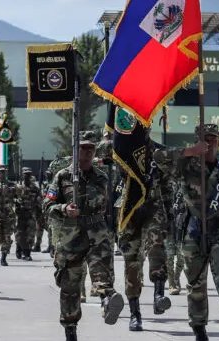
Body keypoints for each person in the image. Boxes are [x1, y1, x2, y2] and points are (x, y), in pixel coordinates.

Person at [153, 124, 219, 340]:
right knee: (195, 283)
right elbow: (158, 158)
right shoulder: (185, 166)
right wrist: (188, 152)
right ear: (198, 140)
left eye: (214, 138)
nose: (211, 142)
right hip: (193, 229)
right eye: (206, 138)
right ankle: (198, 327)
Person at [46, 131, 125, 340]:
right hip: (70, 236)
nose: (88, 151)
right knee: (70, 287)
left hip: (97, 232)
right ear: (75, 148)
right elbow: (48, 205)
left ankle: (107, 300)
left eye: (91, 147)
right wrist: (64, 208)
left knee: (103, 272)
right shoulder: (63, 176)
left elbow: (108, 207)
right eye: (83, 147)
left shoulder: (102, 176)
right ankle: (70, 330)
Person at [117, 141, 173, 331]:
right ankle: (135, 314)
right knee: (132, 263)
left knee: (157, 246)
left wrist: (170, 215)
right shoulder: (122, 148)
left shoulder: (159, 153)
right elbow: (104, 151)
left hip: (153, 209)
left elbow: (167, 186)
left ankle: (159, 294)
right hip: (130, 211)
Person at [0, 166, 17, 266]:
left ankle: (4, 258)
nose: (2, 174)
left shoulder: (11, 185)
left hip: (8, 216)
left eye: (4, 172)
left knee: (7, 237)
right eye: (1, 172)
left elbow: (17, 197)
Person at [15, 167, 42, 261]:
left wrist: (39, 215)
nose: (27, 176)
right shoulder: (17, 188)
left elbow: (39, 202)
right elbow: (11, 200)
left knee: (30, 234)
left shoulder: (35, 188)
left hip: (31, 214)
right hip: (20, 215)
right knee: (20, 234)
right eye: (25, 175)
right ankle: (19, 248)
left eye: (28, 175)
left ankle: (27, 253)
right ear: (22, 176)